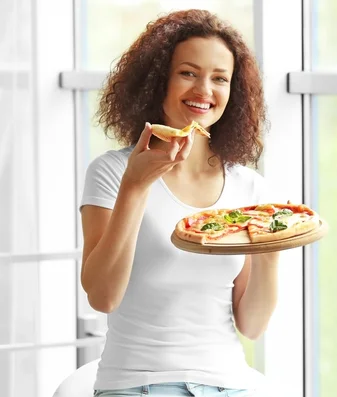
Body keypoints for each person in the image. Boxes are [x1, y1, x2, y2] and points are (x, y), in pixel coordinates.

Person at [79, 9, 283, 397]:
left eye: (220, 78)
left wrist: (272, 250)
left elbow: (252, 326)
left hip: (229, 385)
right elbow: (103, 296)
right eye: (188, 73)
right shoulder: (112, 172)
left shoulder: (249, 187)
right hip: (137, 384)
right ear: (158, 82)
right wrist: (136, 186)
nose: (204, 90)